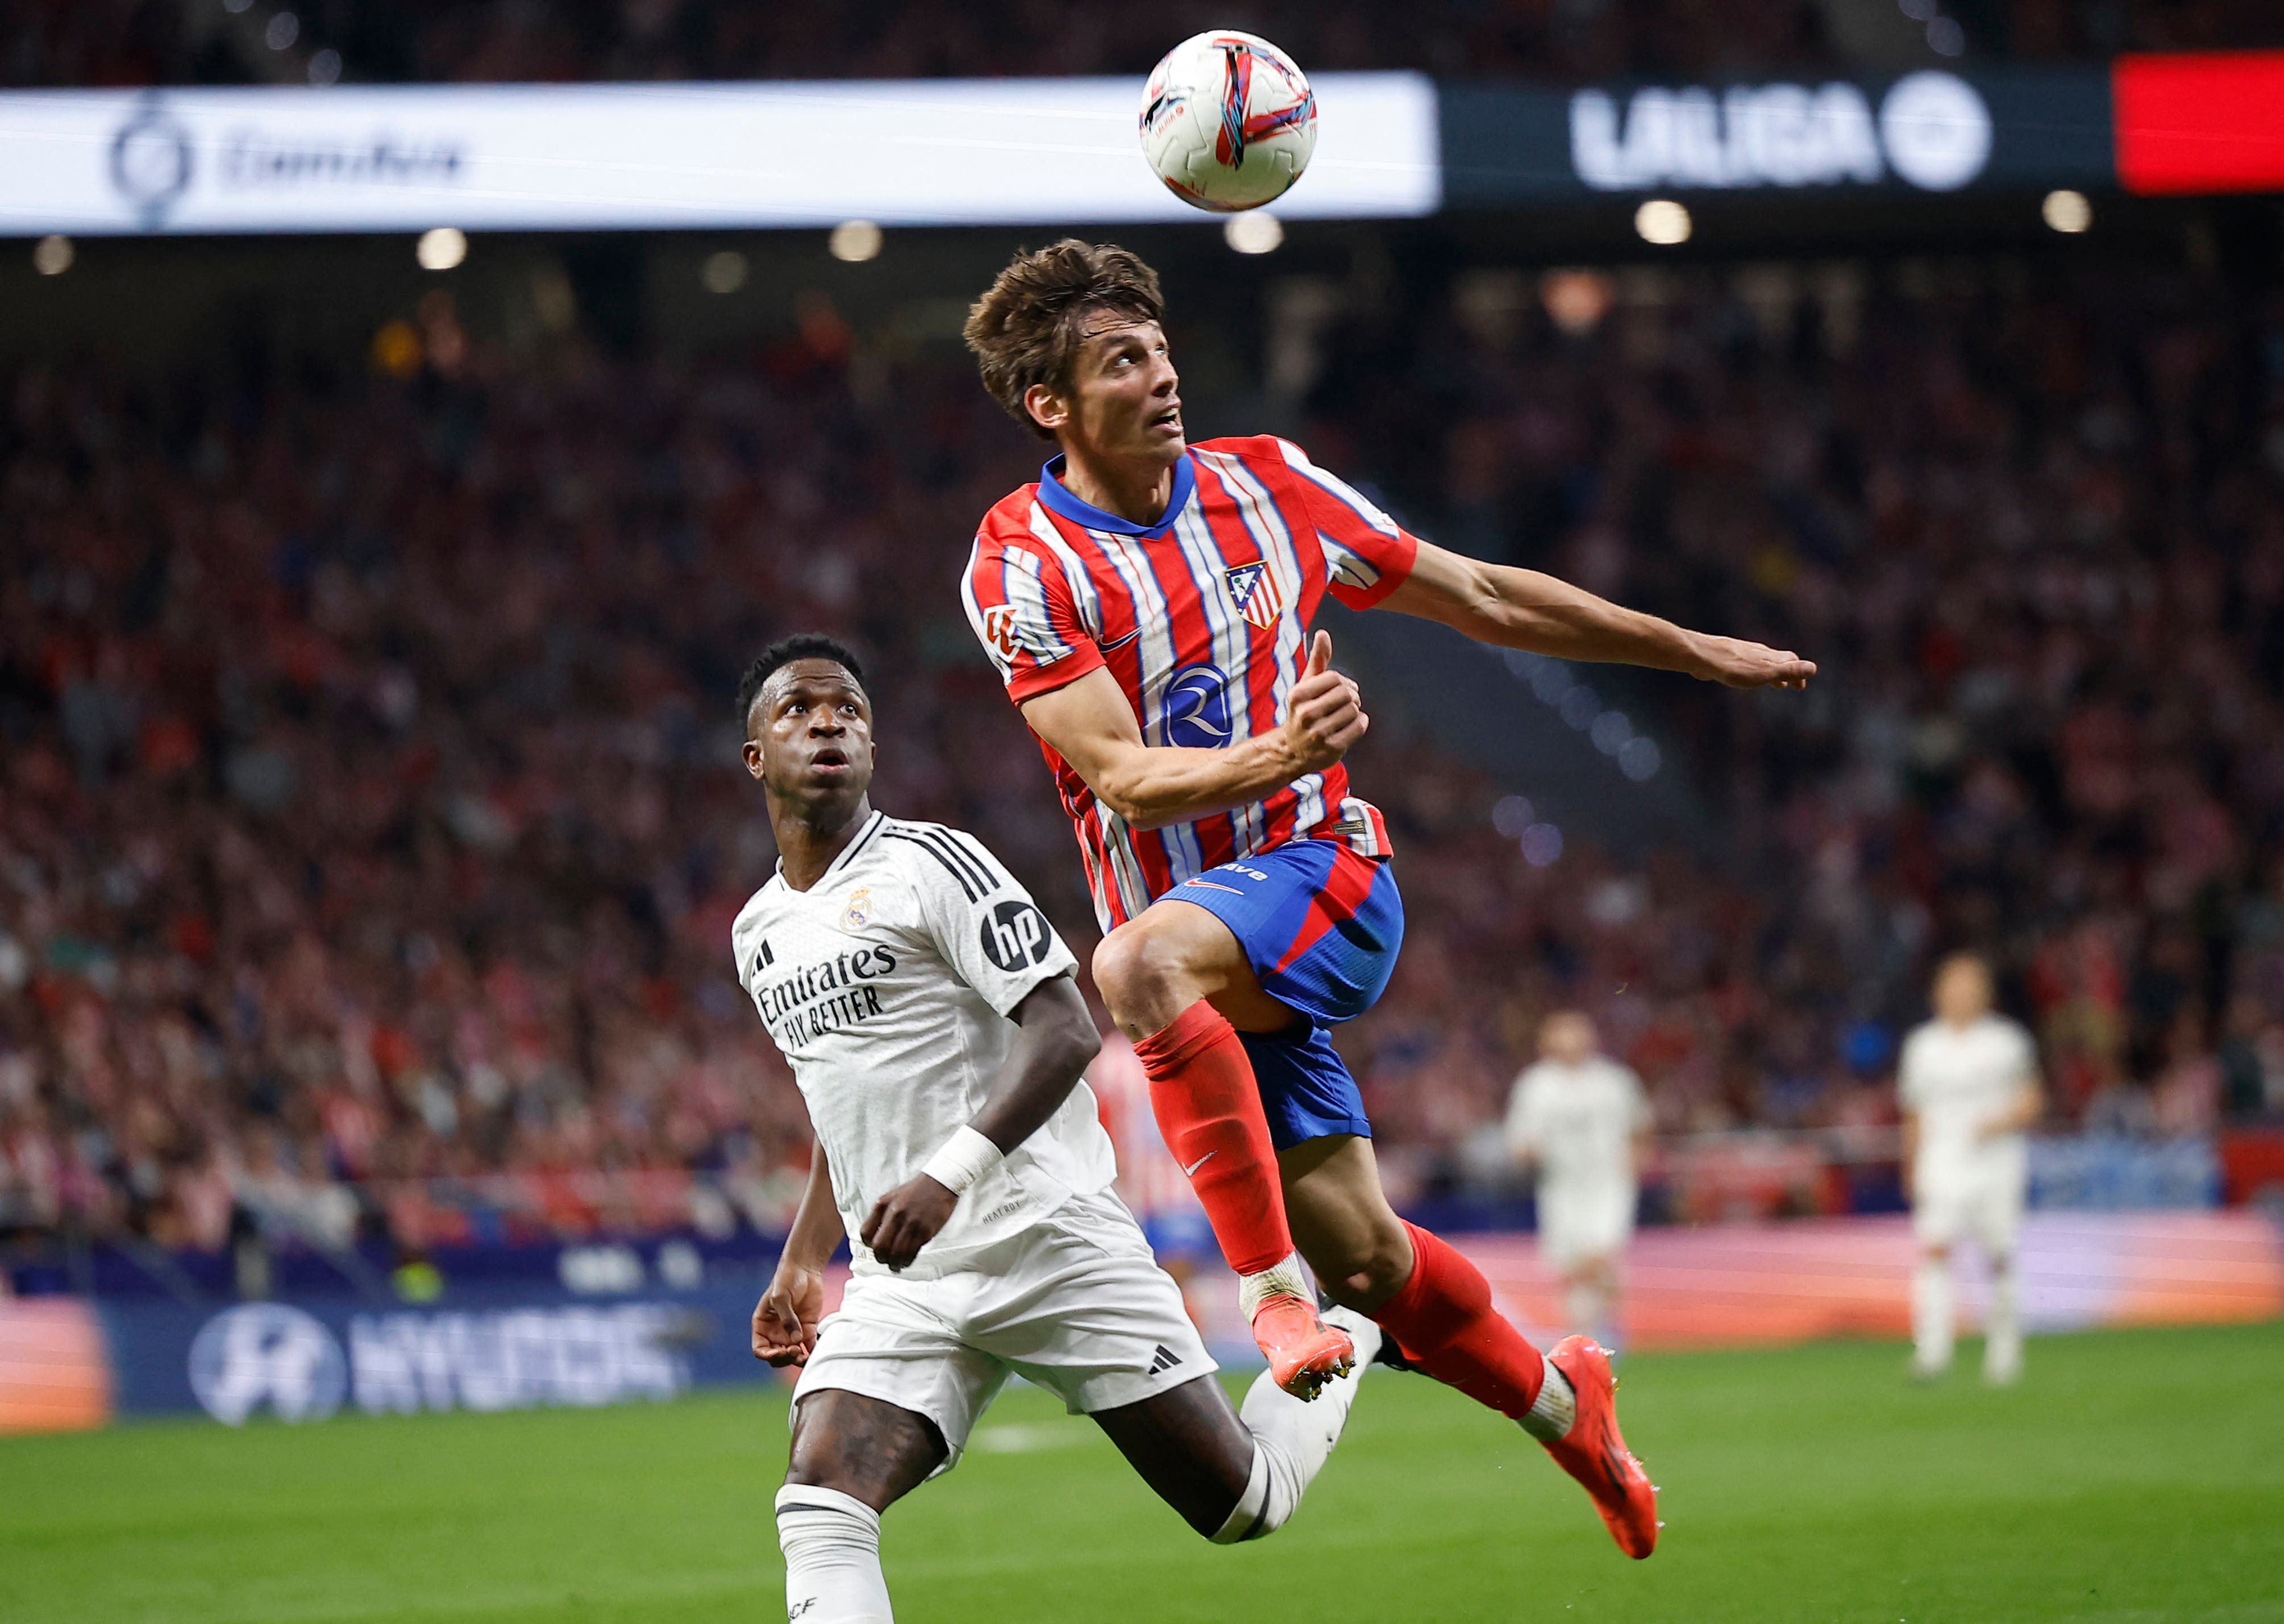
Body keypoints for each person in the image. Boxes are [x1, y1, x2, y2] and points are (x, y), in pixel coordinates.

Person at [957, 240, 1812, 1557]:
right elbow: (1124, 779)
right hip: (1211, 953)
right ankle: (1564, 1408)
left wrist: (1683, 650)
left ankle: (1269, 1298)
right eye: (1121, 360)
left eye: (1164, 349)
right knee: (1372, 1256)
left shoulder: (1270, 484)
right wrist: (1269, 752)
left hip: (1324, 881)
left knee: (1125, 970)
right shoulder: (1023, 561)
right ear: (1051, 406)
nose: (1163, 375)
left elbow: (1479, 596)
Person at [733, 634, 1378, 1624]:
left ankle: (1353, 1322)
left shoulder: (930, 865)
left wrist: (949, 1171)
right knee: (819, 1503)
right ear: (755, 755)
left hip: (1046, 1231)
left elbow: (1067, 1025)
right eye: (798, 709)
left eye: (849, 709)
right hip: (906, 1275)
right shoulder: (758, 931)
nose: (828, 722)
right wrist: (801, 1257)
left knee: (1241, 1504)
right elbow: (842, 1100)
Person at [1897, 952, 2042, 1385]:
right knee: (1935, 1250)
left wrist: (2000, 1122)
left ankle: (2003, 1351)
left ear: (1984, 993)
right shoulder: (1922, 1046)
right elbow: (1913, 1112)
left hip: (1996, 1161)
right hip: (1941, 1159)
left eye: (1969, 986)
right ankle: (1932, 1351)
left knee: (1998, 1256)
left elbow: (2032, 1100)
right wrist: (1911, 1164)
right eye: (1952, 986)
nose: (1960, 995)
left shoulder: (2006, 1042)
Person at [1504, 1011, 1651, 1348]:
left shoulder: (1614, 1080)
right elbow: (1520, 1140)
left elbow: (1640, 1126)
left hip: (1608, 1184)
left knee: (1600, 1252)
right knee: (1570, 1268)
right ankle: (1589, 1338)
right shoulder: (1536, 1085)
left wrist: (1636, 1161)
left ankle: (1594, 1334)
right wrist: (1528, 1151)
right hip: (1561, 1188)